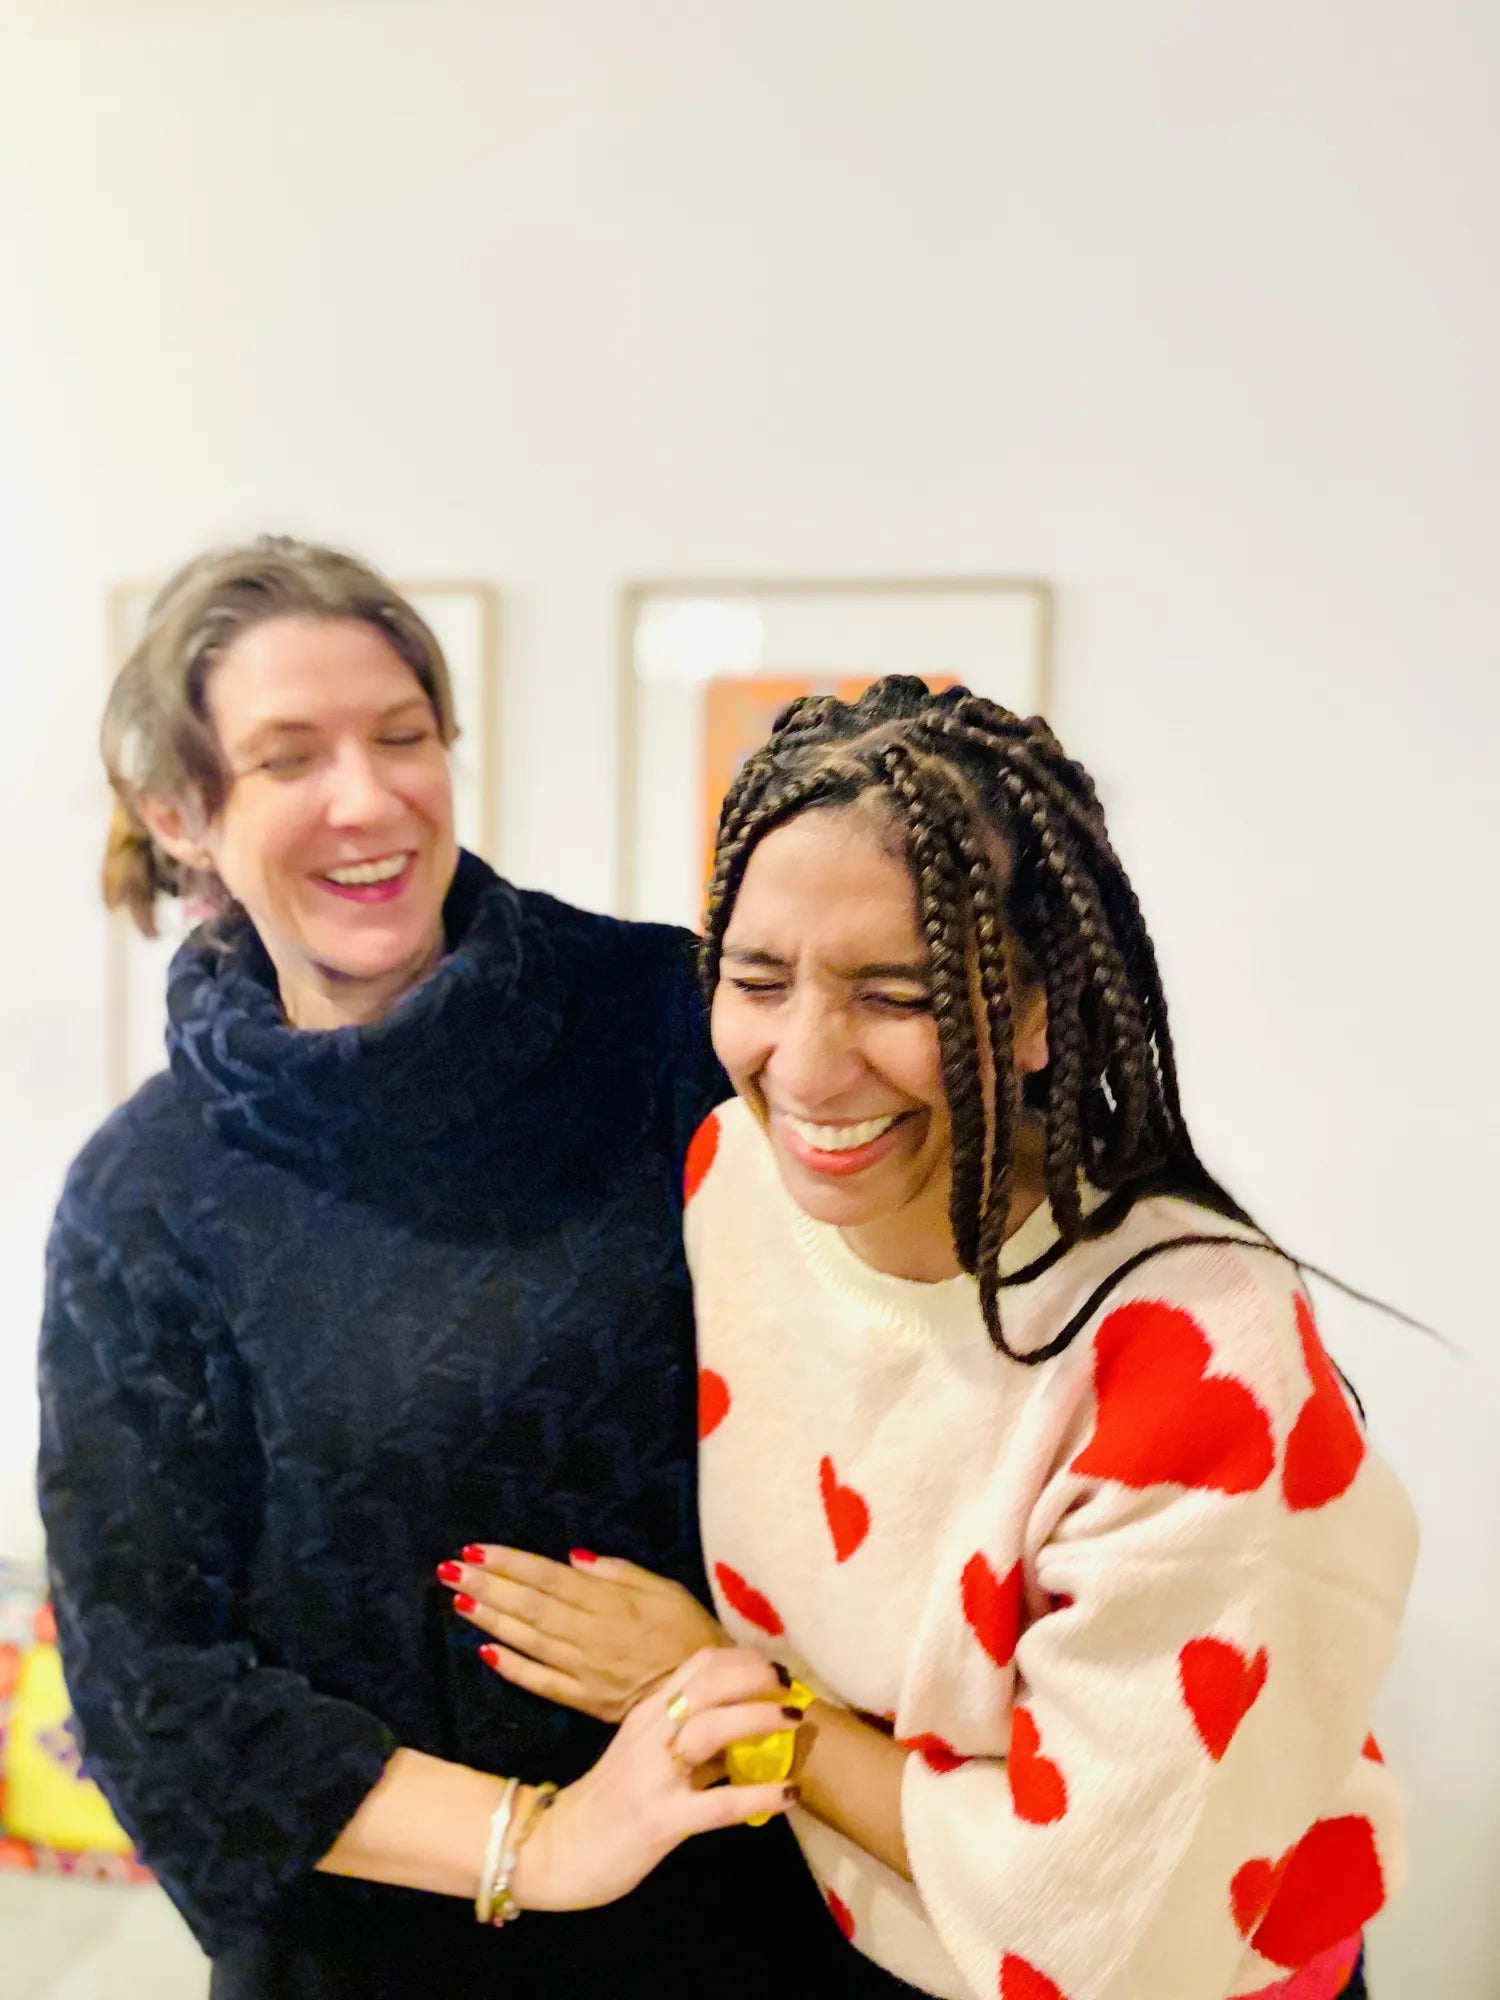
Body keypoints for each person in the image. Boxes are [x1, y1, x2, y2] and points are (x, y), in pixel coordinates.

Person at [447, 677, 1416, 2000]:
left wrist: (734, 1704)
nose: (805, 1066)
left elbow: (1093, 1922)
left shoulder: (1199, 1354)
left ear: (1035, 1011)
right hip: (867, 1937)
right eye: (757, 979)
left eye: (895, 996)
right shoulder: (735, 1177)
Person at [37, 538, 914, 1999]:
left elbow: (917, 1362)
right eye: (290, 757)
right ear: (180, 814)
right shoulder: (147, 1194)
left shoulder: (667, 1019)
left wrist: (751, 1680)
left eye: (402, 738)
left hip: (771, 1896)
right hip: (385, 1953)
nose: (368, 798)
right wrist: (544, 1841)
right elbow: (152, 1688)